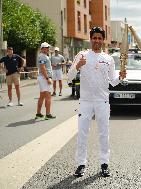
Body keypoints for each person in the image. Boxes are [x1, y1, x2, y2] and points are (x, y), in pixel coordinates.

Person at [68, 27, 126, 178]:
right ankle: (81, 164)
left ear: (103, 40)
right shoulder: (82, 55)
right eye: (94, 38)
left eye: (100, 38)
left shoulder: (108, 59)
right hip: (86, 101)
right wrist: (78, 66)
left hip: (102, 101)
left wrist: (120, 77)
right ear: (90, 39)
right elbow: (69, 77)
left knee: (103, 133)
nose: (97, 41)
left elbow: (113, 82)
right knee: (82, 133)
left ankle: (104, 163)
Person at [35, 42, 56, 120]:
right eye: (46, 48)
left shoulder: (43, 56)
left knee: (42, 96)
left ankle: (38, 113)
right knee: (48, 97)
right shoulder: (43, 56)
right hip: (44, 78)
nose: (48, 49)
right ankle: (48, 114)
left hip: (43, 77)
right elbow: (43, 68)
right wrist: (47, 78)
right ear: (42, 49)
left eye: (48, 47)